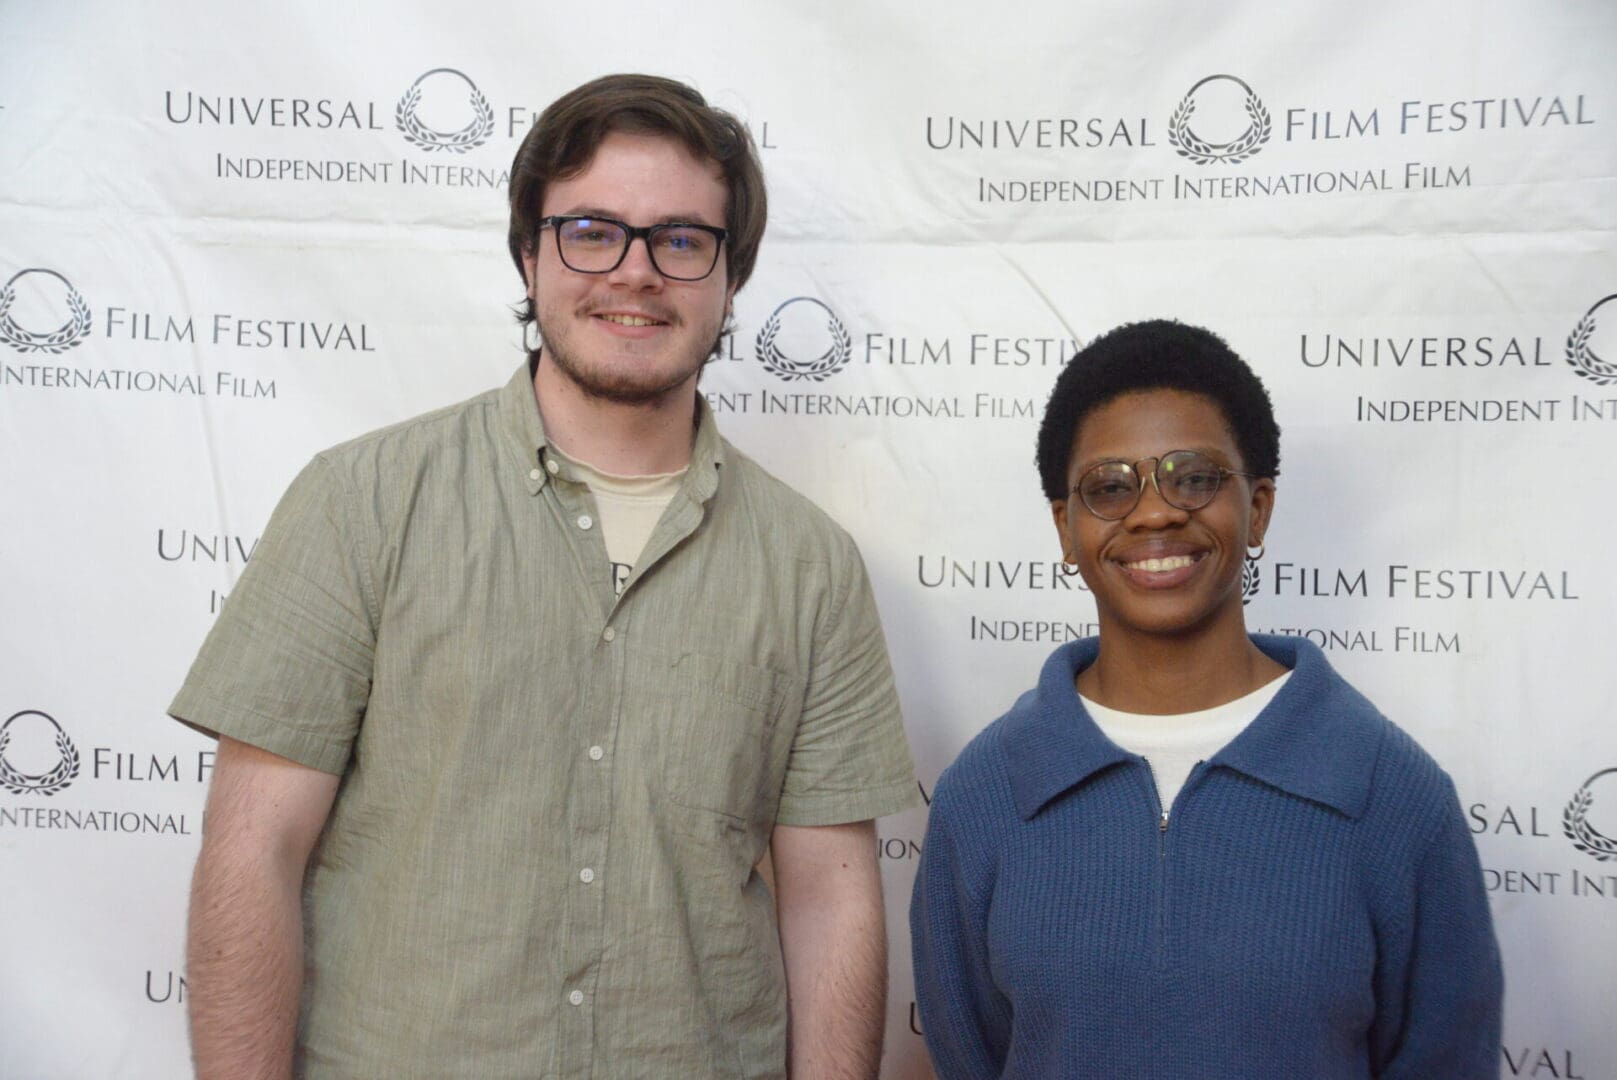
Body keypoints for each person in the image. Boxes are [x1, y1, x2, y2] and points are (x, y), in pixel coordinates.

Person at [171, 73, 918, 1080]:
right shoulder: (361, 501)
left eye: (682, 240)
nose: (636, 271)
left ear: (729, 279)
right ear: (530, 251)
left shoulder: (810, 565)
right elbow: (253, 854)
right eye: (592, 231)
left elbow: (830, 898)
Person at [910, 320, 1501, 1078]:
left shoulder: (1393, 793)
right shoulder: (983, 795)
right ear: (1066, 527)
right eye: (1110, 487)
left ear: (1257, 506)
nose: (1154, 513)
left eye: (1193, 477)